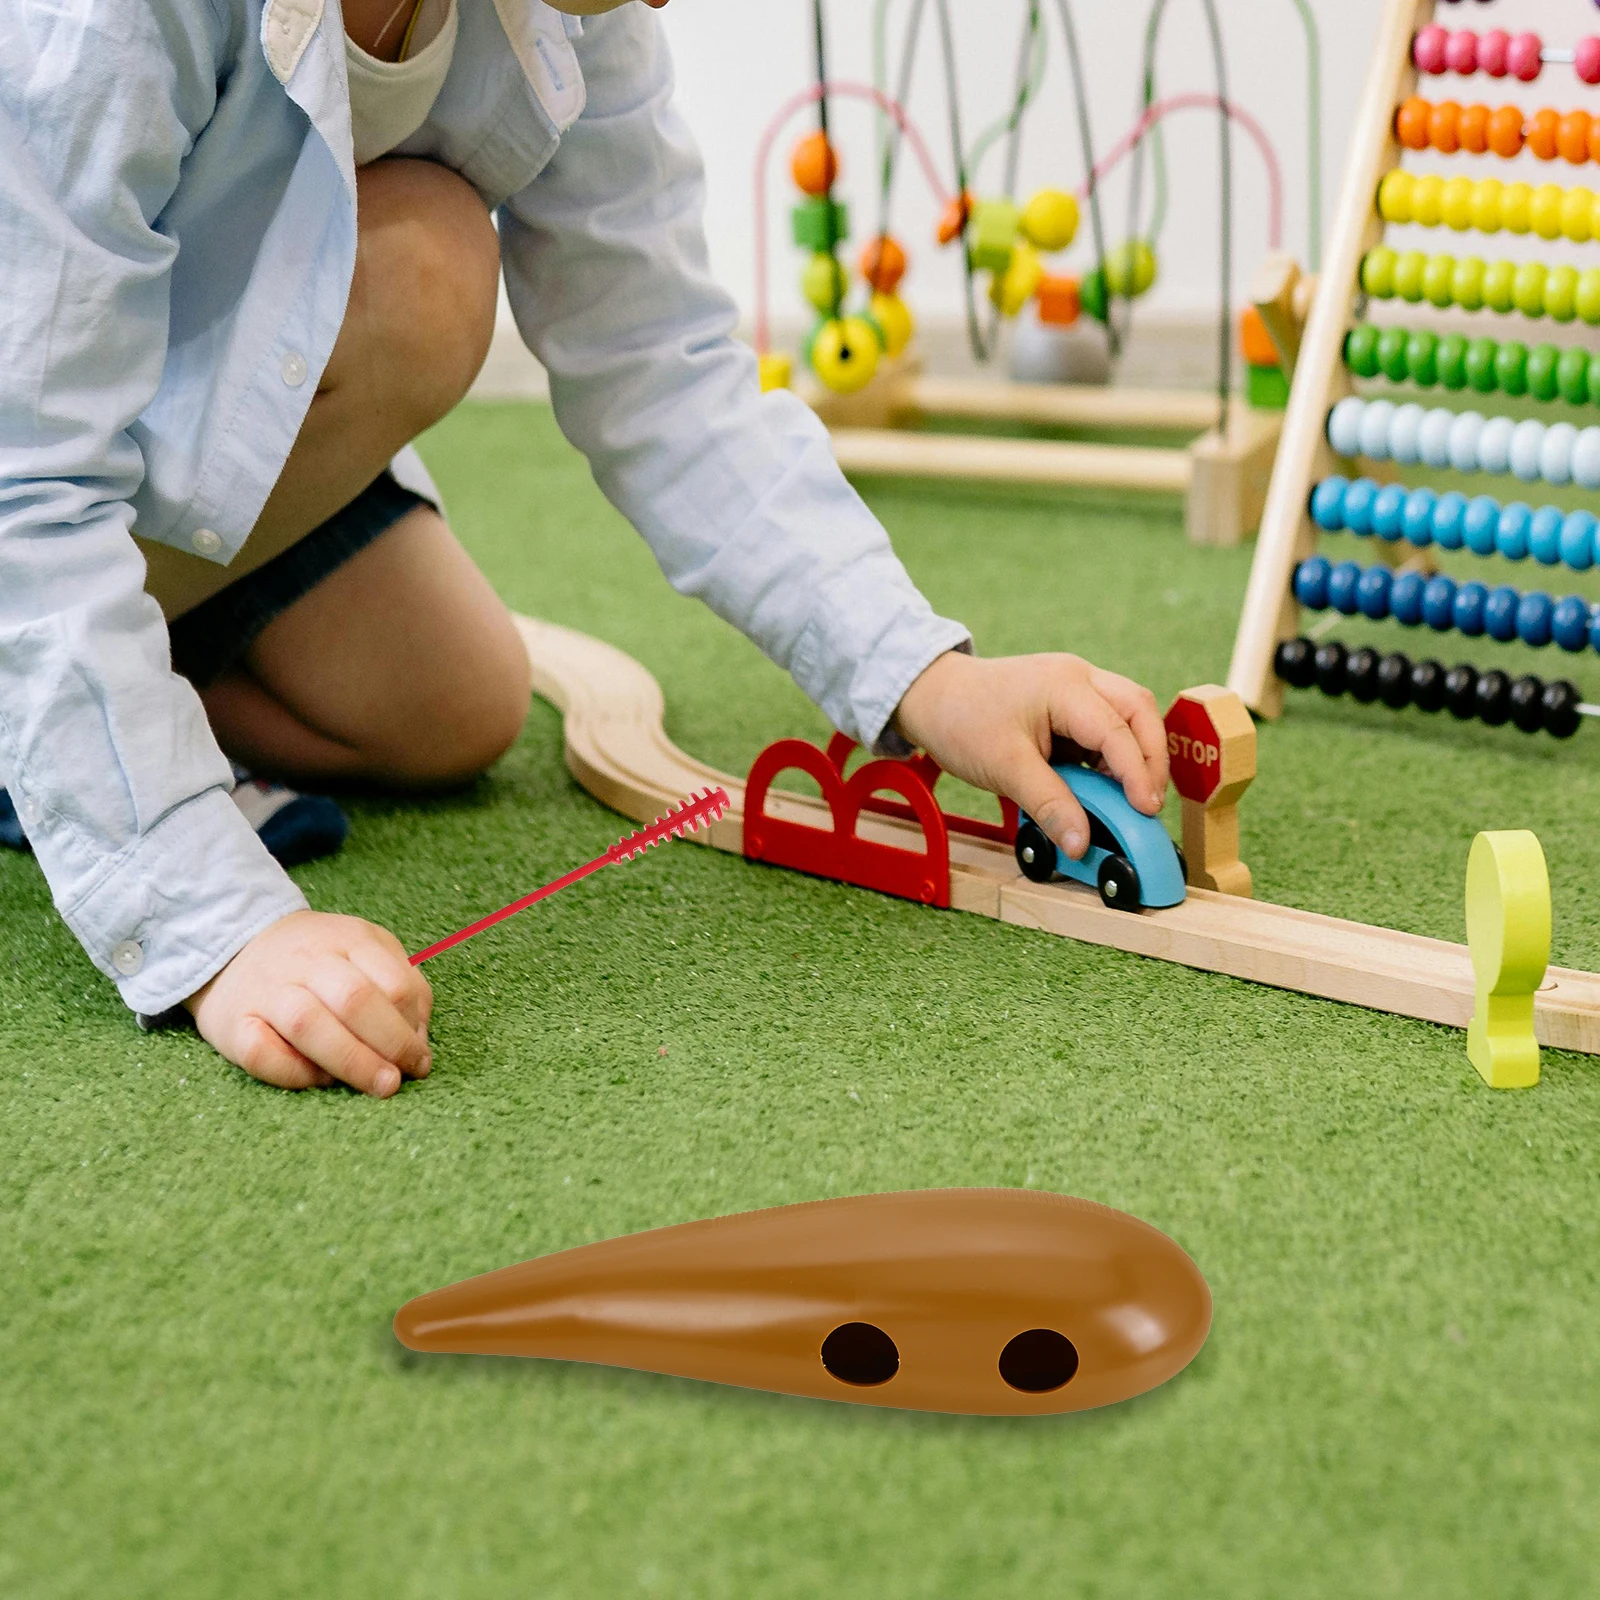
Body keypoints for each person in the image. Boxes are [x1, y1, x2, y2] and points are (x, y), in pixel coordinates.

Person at [0, 0, 1169, 1098]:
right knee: (426, 268)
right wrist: (218, 927)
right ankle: (62, 725)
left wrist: (924, 674)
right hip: (34, 465)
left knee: (455, 704)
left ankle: (73, 718)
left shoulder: (579, 8)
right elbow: (28, 484)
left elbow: (661, 359)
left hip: (158, 438)